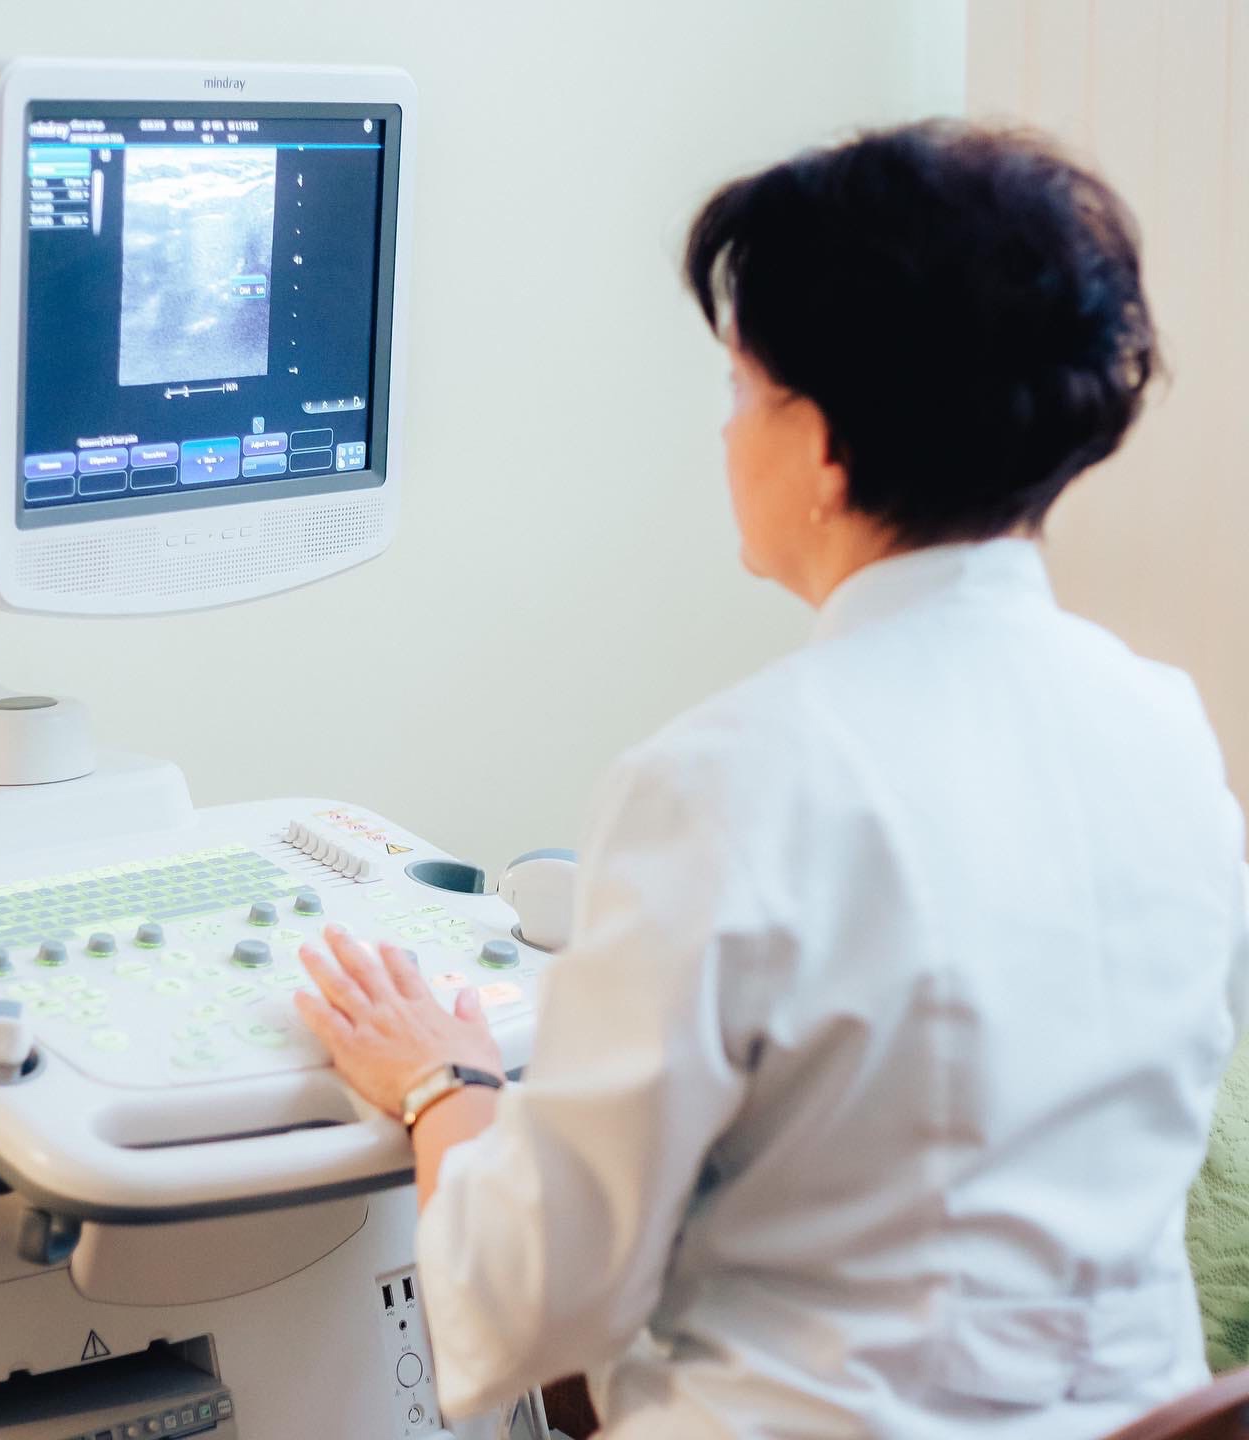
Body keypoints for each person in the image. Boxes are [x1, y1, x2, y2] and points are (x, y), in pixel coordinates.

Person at [293, 120, 1249, 1439]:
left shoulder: (725, 785)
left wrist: (445, 1084)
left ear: (827, 444)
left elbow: (528, 1305)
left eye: (744, 390)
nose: (727, 432)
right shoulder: (1165, 730)